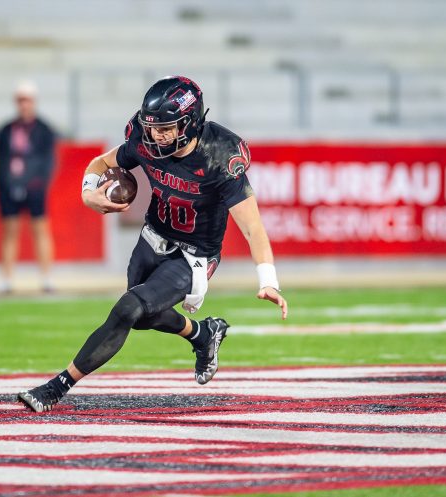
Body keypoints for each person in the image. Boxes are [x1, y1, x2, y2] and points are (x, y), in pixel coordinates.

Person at [19, 76, 287, 412]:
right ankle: (203, 335)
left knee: (128, 309)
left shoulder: (219, 157)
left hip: (193, 255)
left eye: (165, 128)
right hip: (153, 236)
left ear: (189, 123)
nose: (155, 135)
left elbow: (253, 229)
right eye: (151, 126)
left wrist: (269, 281)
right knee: (143, 316)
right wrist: (89, 194)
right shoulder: (145, 141)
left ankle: (57, 387)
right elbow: (100, 163)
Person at [0, 81, 57, 293]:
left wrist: (39, 183)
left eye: (27, 100)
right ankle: (6, 278)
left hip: (35, 187)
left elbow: (49, 161)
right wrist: (4, 185)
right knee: (9, 231)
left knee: (40, 229)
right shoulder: (6, 130)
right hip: (10, 186)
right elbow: (0, 161)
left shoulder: (44, 130)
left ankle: (46, 277)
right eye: (20, 100)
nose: (24, 105)